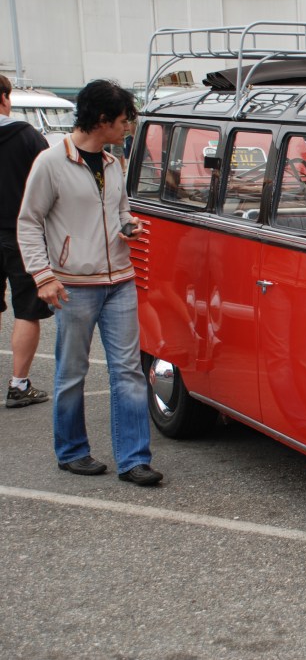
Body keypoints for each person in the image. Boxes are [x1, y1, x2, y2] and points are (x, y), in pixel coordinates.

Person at [18, 79, 163, 485]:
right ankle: (72, 451)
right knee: (71, 372)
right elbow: (28, 222)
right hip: (74, 284)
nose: (128, 127)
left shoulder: (114, 164)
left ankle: (134, 459)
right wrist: (43, 276)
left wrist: (129, 226)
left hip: (120, 280)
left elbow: (120, 212)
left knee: (129, 371)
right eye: (124, 120)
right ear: (101, 120)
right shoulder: (51, 162)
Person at [0, 74, 52, 408]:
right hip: (21, 234)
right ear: (5, 98)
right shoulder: (27, 136)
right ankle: (18, 384)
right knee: (26, 309)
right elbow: (51, 181)